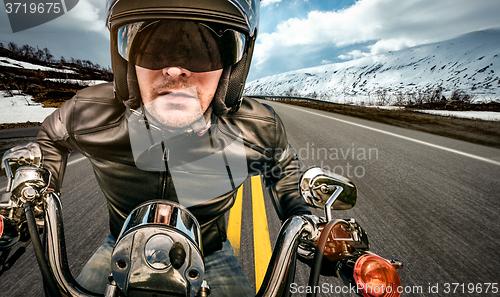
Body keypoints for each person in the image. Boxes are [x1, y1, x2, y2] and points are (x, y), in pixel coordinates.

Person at [36, 0, 311, 295]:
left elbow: (284, 168)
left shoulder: (259, 126)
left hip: (210, 253)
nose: (176, 69)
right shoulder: (87, 111)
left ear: (232, 69)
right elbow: (50, 138)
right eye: (155, 49)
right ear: (127, 64)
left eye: (200, 54)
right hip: (119, 245)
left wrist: (307, 220)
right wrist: (33, 194)